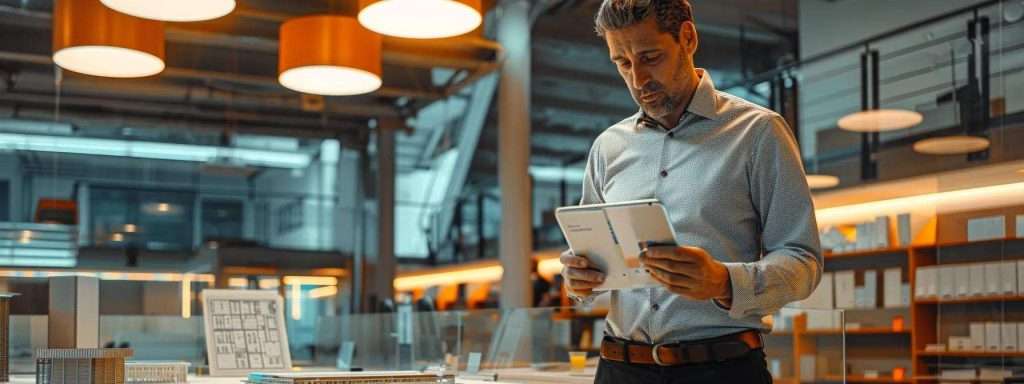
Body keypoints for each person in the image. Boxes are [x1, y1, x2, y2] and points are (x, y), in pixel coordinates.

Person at [558, 1, 823, 383]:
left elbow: (803, 261)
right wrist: (579, 279)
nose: (638, 79)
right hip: (619, 368)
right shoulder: (607, 146)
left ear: (688, 37)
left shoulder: (758, 132)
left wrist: (723, 281)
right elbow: (591, 255)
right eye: (623, 63)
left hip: (721, 370)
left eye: (650, 57)